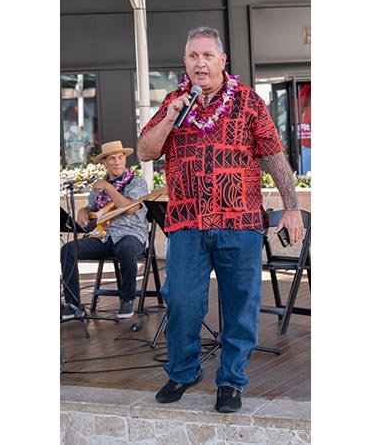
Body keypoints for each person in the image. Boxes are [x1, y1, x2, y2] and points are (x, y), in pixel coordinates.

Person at [137, 26, 305, 413]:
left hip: (240, 220)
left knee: (241, 304)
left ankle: (230, 381)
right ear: (184, 63)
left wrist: (291, 206)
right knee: (181, 300)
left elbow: (274, 156)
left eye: (207, 56)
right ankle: (182, 371)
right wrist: (169, 119)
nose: (200, 63)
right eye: (193, 56)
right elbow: (146, 151)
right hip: (186, 222)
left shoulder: (247, 101)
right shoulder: (173, 103)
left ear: (222, 60)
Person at [60, 140, 149, 320]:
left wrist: (108, 187)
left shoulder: (136, 183)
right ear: (104, 163)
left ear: (125, 159)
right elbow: (92, 208)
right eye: (112, 158)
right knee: (68, 249)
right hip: (104, 236)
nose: (117, 162)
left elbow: (129, 208)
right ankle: (73, 304)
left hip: (131, 234)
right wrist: (83, 211)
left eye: (120, 157)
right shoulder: (99, 187)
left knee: (126, 247)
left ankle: (127, 299)